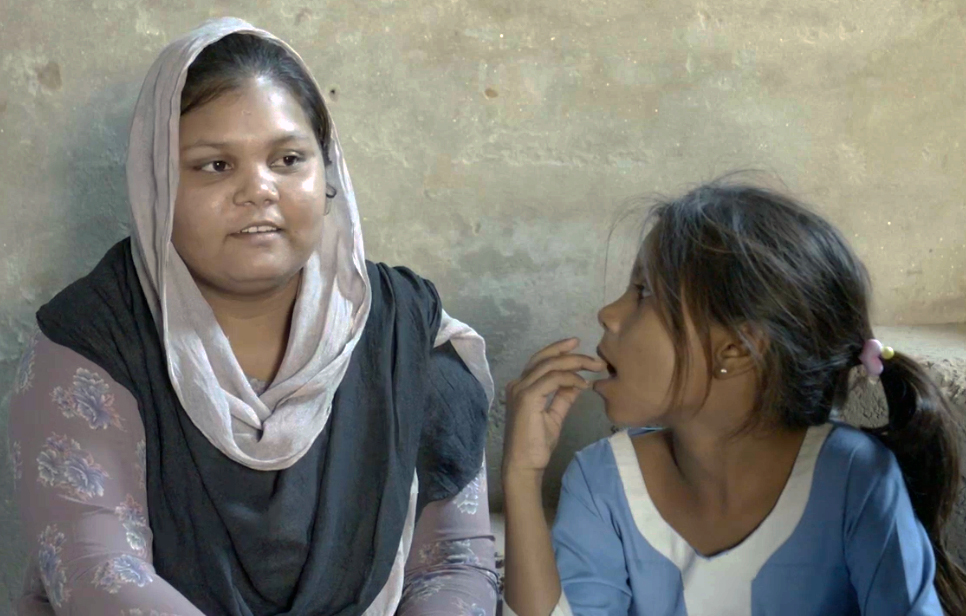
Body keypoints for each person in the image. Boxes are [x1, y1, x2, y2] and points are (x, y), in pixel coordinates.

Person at [8, 18, 498, 616]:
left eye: (288, 158)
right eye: (215, 166)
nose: (258, 190)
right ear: (157, 184)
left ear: (329, 174)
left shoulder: (407, 334)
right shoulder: (90, 343)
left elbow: (452, 563)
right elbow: (97, 575)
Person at [501, 180, 966, 615]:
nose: (608, 314)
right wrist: (522, 475)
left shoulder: (853, 478)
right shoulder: (602, 480)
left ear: (736, 349)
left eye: (642, 293)